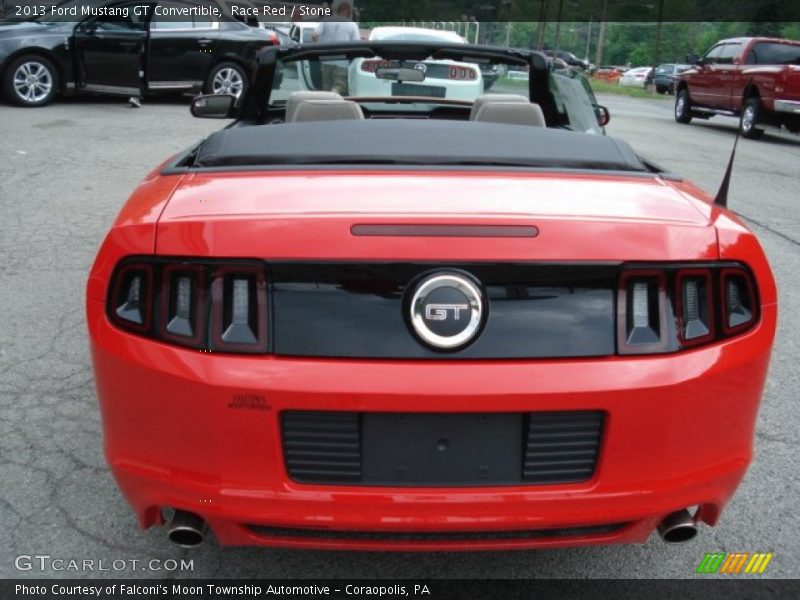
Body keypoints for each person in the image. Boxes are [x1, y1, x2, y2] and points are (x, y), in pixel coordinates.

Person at [312, 0, 359, 94]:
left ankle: (327, 104)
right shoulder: (352, 25)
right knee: (339, 87)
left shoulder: (326, 21)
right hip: (341, 62)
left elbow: (313, 35)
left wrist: (317, 47)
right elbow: (356, 44)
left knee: (326, 87)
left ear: (337, 11)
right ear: (348, 13)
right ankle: (334, 99)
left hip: (325, 60)